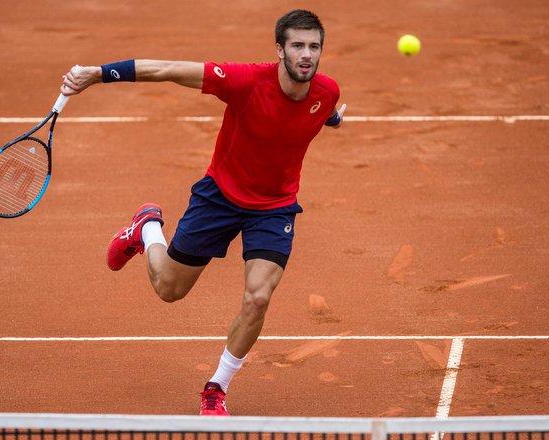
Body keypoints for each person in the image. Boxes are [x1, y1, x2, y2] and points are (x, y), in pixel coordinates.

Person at [61, 9, 346, 416]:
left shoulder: (326, 92)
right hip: (220, 198)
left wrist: (333, 118)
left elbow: (325, 108)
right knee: (169, 289)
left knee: (258, 297)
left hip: (273, 207)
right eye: (297, 45)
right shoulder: (247, 81)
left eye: (314, 47)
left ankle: (217, 388)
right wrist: (97, 73)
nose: (306, 54)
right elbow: (168, 69)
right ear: (279, 50)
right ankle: (147, 229)